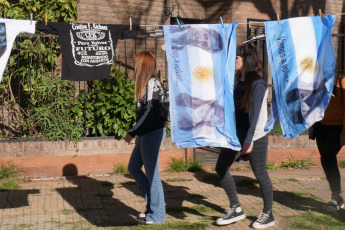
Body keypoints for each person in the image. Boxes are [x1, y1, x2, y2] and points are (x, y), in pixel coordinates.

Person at [215, 43, 275, 229]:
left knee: (260, 173)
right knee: (221, 167)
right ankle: (236, 208)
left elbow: (257, 117)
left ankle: (268, 213)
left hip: (255, 135)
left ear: (246, 61)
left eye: (237, 58)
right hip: (236, 133)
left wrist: (249, 141)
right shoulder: (235, 80)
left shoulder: (258, 84)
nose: (234, 60)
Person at [124, 51, 168, 224]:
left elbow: (150, 112)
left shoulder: (153, 83)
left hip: (153, 132)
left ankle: (157, 215)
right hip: (146, 133)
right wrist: (138, 132)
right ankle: (153, 207)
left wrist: (132, 131)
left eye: (136, 64)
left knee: (152, 174)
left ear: (143, 65)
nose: (134, 68)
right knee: (134, 167)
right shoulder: (146, 84)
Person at [311, 74, 345, 212]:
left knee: (327, 158)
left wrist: (344, 132)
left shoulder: (341, 82)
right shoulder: (317, 80)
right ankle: (337, 196)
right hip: (321, 126)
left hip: (337, 127)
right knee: (327, 160)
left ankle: (336, 195)